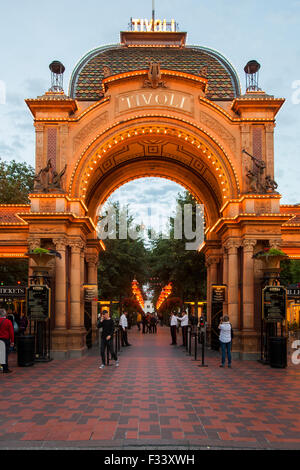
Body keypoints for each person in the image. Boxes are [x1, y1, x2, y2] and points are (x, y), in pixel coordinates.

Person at [0, 308, 14, 374]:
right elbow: (11, 332)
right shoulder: (8, 321)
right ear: (5, 314)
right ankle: (5, 368)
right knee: (4, 354)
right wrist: (12, 341)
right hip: (5, 340)